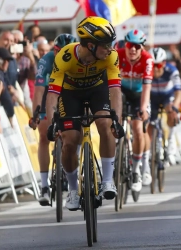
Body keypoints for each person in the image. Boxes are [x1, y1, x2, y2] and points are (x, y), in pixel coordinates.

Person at [46, 17, 123, 210]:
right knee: (70, 140)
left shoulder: (111, 57)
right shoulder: (64, 57)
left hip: (98, 90)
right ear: (90, 45)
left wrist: (117, 120)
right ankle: (73, 190)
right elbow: (53, 93)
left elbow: (115, 91)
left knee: (105, 124)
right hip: (71, 93)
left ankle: (107, 180)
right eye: (106, 45)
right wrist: (51, 123)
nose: (110, 48)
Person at [29, 34, 77, 206]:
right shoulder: (46, 61)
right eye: (58, 51)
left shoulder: (79, 60)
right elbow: (39, 90)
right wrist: (35, 114)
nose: (61, 55)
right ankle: (44, 186)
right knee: (44, 134)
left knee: (71, 134)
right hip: (49, 95)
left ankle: (70, 165)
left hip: (69, 95)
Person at [117, 29, 153, 191]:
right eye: (130, 45)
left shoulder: (147, 59)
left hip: (139, 95)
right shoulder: (116, 55)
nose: (132, 49)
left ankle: (137, 169)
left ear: (142, 48)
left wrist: (143, 109)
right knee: (113, 122)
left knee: (138, 129)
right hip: (121, 93)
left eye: (137, 47)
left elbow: (147, 87)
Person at [148, 47, 181, 166]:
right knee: (149, 122)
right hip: (152, 97)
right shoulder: (146, 70)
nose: (156, 68)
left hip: (167, 96)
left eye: (159, 65)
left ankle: (171, 142)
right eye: (153, 65)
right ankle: (150, 149)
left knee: (171, 112)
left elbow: (179, 92)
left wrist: (175, 106)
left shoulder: (172, 70)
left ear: (164, 63)